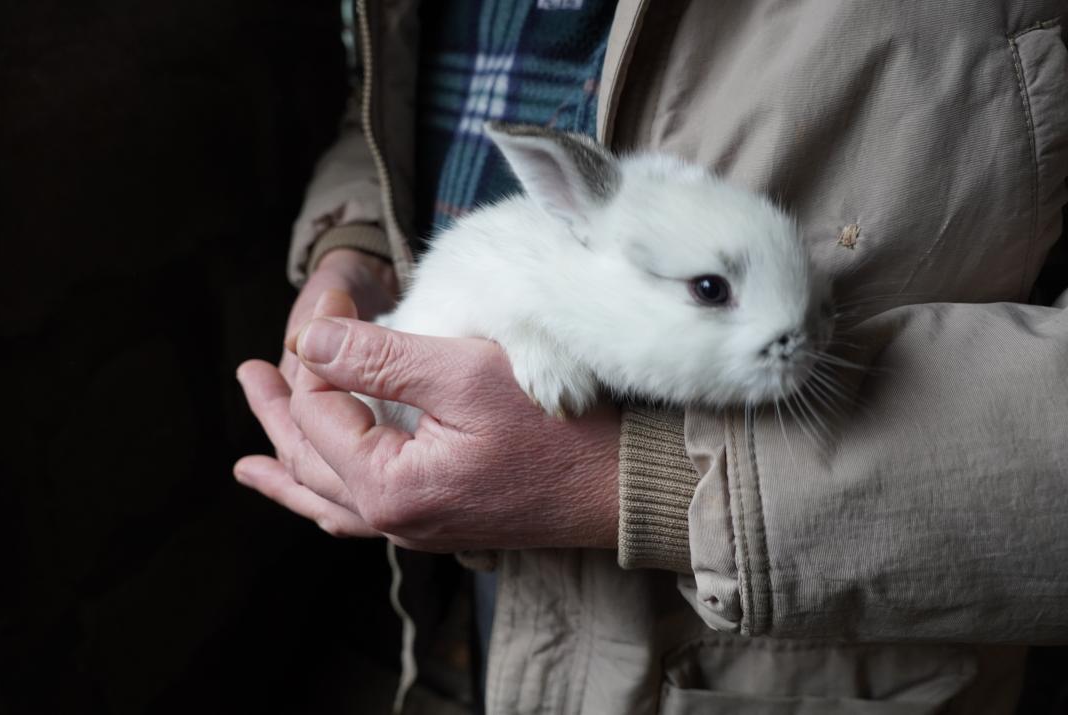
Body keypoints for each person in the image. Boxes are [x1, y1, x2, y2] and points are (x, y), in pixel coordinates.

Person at [235, 1, 1068, 712]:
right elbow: (378, 108)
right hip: (489, 582)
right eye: (710, 289)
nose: (806, 338)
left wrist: (641, 482)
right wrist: (355, 246)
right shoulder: (538, 260)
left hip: (783, 662)